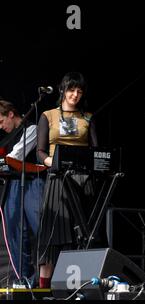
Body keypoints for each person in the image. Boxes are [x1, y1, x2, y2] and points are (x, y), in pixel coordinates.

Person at [36, 72, 98, 288]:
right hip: (57, 180)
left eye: (80, 91)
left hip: (82, 181)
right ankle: (45, 289)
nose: (75, 95)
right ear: (63, 89)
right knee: (52, 236)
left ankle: (84, 287)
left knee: (83, 235)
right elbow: (40, 152)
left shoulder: (87, 118)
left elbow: (95, 152)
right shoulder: (48, 115)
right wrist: (51, 162)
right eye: (72, 90)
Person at [0, 99, 45, 285]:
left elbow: (13, 157)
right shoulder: (7, 138)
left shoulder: (32, 128)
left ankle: (44, 279)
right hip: (13, 184)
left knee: (39, 229)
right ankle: (23, 279)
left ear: (11, 114)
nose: (0, 126)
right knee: (15, 233)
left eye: (1, 121)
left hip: (32, 183)